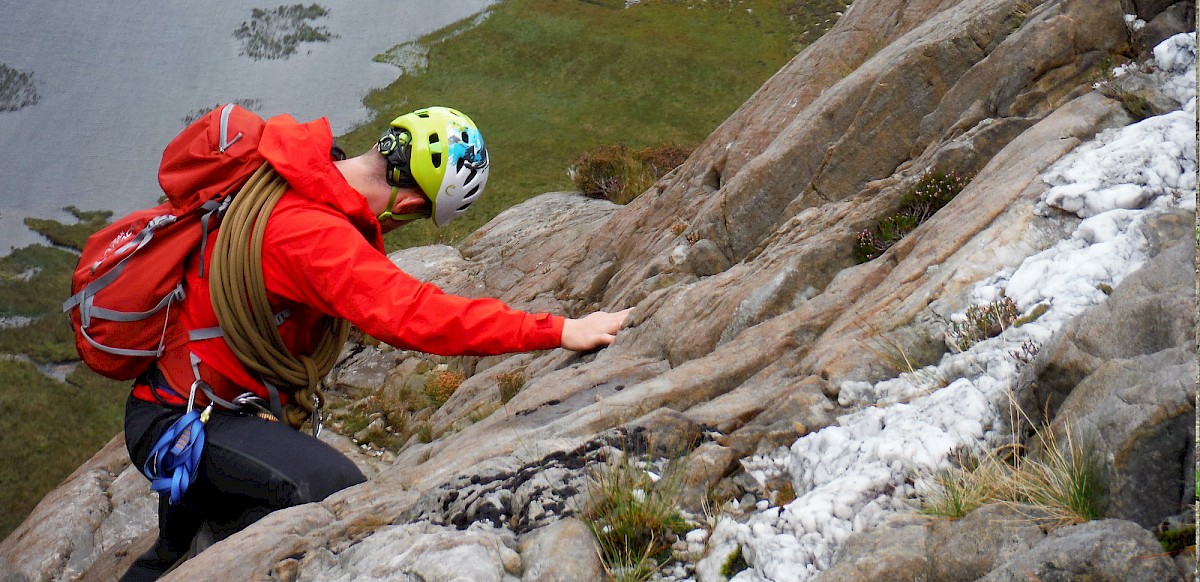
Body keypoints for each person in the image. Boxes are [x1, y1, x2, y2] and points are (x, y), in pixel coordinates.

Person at [119, 105, 630, 581]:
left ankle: (179, 543)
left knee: (172, 553)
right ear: (407, 203)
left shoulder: (304, 169)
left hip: (192, 403)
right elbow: (415, 315)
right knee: (331, 494)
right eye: (415, 216)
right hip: (185, 423)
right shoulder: (314, 234)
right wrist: (560, 329)